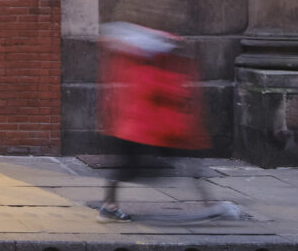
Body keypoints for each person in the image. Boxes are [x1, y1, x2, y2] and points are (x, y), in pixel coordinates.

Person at [96, 22, 237, 221]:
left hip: (149, 131)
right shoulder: (147, 70)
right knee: (129, 169)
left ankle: (211, 204)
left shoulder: (145, 65)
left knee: (189, 164)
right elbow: (159, 94)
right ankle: (108, 206)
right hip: (145, 132)